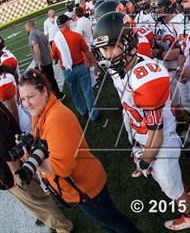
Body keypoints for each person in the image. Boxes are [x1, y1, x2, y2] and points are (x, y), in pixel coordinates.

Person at [92, 12, 190, 231]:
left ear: (129, 42)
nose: (107, 54)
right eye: (104, 49)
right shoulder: (121, 67)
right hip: (144, 133)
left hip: (158, 140)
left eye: (112, 47)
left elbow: (156, 134)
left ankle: (189, 216)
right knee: (171, 179)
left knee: (170, 187)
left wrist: (144, 161)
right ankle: (186, 190)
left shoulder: (146, 77)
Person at [18, 69, 139, 232]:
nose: (27, 103)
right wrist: (28, 149)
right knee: (110, 223)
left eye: (31, 96)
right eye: (23, 99)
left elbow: (62, 168)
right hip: (78, 187)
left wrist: (32, 162)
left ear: (44, 91)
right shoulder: (38, 113)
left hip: (86, 188)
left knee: (116, 223)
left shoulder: (56, 118)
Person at [0, 100, 73, 232]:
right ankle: (53, 216)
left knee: (37, 201)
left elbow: (4, 143)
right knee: (38, 196)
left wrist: (16, 172)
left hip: (11, 171)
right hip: (16, 161)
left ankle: (63, 228)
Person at [51, 15, 98, 121]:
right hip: (80, 66)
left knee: (74, 92)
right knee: (87, 90)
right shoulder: (76, 35)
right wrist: (92, 64)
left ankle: (82, 110)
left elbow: (54, 57)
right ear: (67, 23)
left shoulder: (55, 41)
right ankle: (93, 114)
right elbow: (86, 51)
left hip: (67, 70)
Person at [25, 20, 64, 100]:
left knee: (44, 82)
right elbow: (48, 45)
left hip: (43, 62)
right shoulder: (40, 33)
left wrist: (39, 63)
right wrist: (50, 56)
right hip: (48, 60)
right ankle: (59, 95)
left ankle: (54, 97)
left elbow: (36, 47)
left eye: (26, 27)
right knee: (51, 79)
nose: (25, 29)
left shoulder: (32, 35)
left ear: (29, 26)